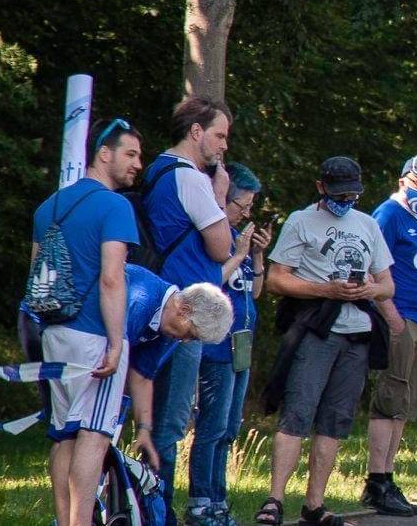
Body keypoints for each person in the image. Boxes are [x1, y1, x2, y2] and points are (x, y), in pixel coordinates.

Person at [259, 156, 396, 526]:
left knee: (334, 420)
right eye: (339, 194)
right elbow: (276, 280)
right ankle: (274, 500)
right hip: (317, 329)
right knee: (297, 413)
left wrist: (369, 288)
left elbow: (388, 284)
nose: (346, 201)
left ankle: (314, 504)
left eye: (352, 195)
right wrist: (326, 289)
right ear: (321, 187)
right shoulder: (301, 221)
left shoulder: (367, 224)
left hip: (357, 335)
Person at [36, 117, 142, 526]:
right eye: (130, 154)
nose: (137, 164)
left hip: (54, 333)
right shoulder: (116, 206)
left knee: (64, 433)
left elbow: (38, 274)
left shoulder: (50, 206)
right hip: (95, 334)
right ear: (103, 153)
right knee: (94, 434)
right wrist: (117, 343)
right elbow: (112, 278)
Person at [146, 97, 236, 511]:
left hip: (158, 303)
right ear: (195, 132)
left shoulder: (155, 172)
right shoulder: (191, 178)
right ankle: (159, 509)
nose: (223, 146)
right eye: (219, 135)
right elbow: (220, 248)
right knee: (171, 423)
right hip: (185, 315)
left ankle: (148, 504)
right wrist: (219, 196)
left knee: (157, 417)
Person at [188, 162, 269, 526]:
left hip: (242, 347)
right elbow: (208, 284)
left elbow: (255, 291)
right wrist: (237, 253)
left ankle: (219, 500)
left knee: (230, 429)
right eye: (242, 206)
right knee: (212, 427)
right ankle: (200, 500)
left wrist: (256, 256)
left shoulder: (239, 239)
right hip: (217, 348)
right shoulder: (215, 238)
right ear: (224, 199)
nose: (246, 213)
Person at [363, 154, 417, 516]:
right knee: (390, 398)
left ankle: (388, 476)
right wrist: (391, 316)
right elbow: (368, 267)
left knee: (403, 404)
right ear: (403, 181)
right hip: (399, 320)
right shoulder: (390, 214)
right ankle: (376, 481)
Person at [121, 264, 234, 511]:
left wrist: (144, 429)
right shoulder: (140, 301)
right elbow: (111, 359)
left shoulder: (168, 330)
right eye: (191, 334)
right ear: (184, 310)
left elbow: (141, 376)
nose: (185, 340)